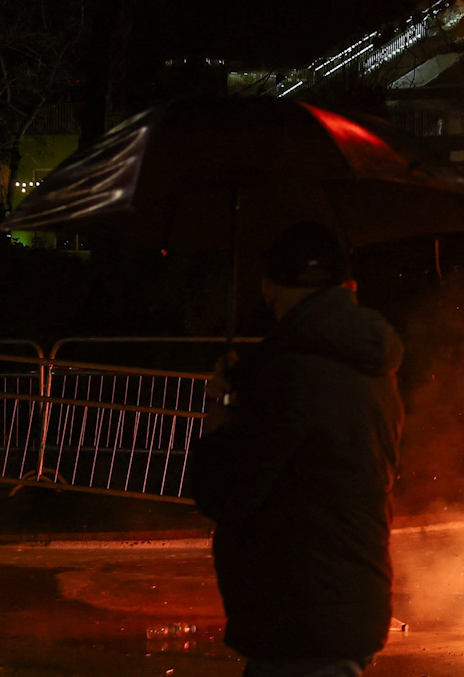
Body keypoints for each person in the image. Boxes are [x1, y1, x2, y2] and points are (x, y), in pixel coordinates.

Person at [191, 221, 404, 677]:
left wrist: (221, 409)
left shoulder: (286, 374)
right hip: (346, 600)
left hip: (297, 611)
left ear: (269, 289)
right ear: (348, 287)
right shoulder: (372, 368)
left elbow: (225, 491)